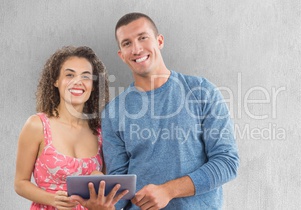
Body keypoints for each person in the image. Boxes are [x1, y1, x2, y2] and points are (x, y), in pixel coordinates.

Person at [102, 12, 240, 210]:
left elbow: (227, 162)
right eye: (127, 43)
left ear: (159, 41)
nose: (136, 48)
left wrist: (169, 190)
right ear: (121, 55)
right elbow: (120, 184)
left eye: (143, 37)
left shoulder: (201, 91)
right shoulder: (113, 112)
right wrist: (103, 205)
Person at [14, 46, 128, 210]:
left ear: (93, 85)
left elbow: (105, 189)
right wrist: (52, 199)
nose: (78, 81)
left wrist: (100, 179)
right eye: (69, 75)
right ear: (56, 81)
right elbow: (20, 183)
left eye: (86, 76)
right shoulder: (37, 125)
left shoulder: (101, 131)